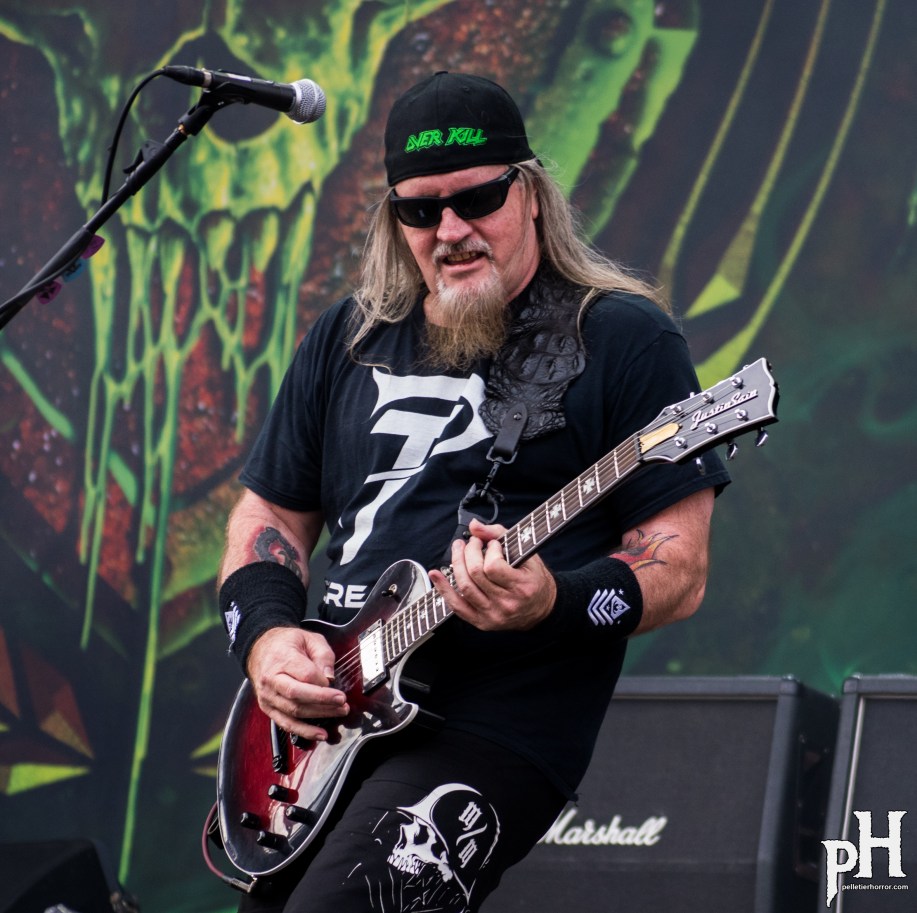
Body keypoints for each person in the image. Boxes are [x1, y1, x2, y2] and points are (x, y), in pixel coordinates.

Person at [217, 71, 730, 912]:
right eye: (420, 210)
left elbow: (677, 566)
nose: (450, 230)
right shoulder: (350, 335)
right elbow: (270, 510)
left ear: (529, 194)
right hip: (327, 720)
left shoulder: (622, 338)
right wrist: (268, 636)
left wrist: (552, 601)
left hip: (493, 722)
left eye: (477, 199)